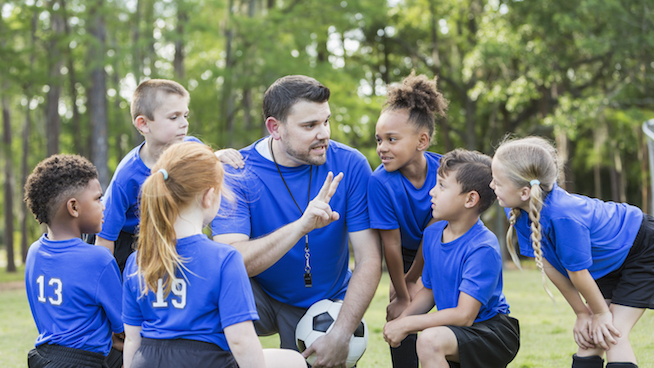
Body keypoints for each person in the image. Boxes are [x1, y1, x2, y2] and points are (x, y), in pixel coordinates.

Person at [211, 75, 382, 367]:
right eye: (310, 126)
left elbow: (368, 260)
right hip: (259, 295)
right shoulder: (237, 172)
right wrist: (301, 226)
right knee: (210, 292)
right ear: (274, 128)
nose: (324, 133)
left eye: (326, 121)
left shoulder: (351, 165)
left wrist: (341, 333)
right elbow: (234, 259)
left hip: (324, 302)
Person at [121, 142, 306, 368]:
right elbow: (240, 340)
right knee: (294, 360)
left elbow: (132, 338)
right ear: (209, 196)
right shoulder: (224, 259)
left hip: (148, 361)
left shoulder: (137, 260)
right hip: (204, 361)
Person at [491, 136, 654, 368]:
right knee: (590, 339)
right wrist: (583, 314)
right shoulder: (519, 211)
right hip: (608, 262)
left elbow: (577, 273)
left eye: (497, 182)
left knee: (611, 335)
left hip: (642, 249)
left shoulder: (563, 216)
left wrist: (600, 314)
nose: (491, 186)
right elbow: (547, 264)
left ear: (525, 191)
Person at [383, 149, 520, 368]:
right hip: (458, 331)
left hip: (491, 332)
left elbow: (464, 315)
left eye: (442, 186)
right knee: (430, 337)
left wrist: (408, 324)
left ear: (470, 199)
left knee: (429, 340)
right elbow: (428, 291)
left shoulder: (483, 247)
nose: (432, 192)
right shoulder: (431, 234)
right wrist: (401, 321)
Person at [95, 78, 242, 273]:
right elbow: (105, 238)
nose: (184, 124)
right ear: (144, 124)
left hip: (175, 232)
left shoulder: (192, 146)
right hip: (132, 242)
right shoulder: (126, 175)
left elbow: (201, 166)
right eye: (174, 117)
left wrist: (216, 156)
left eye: (185, 115)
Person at [367, 72, 448, 368]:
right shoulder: (380, 182)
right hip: (401, 252)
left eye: (392, 139)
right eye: (379, 140)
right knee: (399, 311)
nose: (382, 147)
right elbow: (390, 244)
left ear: (422, 141)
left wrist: (416, 279)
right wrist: (403, 292)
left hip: (442, 248)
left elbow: (436, 231)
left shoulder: (445, 172)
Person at [23, 154, 124, 368]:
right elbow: (124, 327)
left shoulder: (34, 252)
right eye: (98, 199)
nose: (103, 206)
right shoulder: (98, 259)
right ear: (74, 207)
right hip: (84, 362)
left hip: (43, 358)